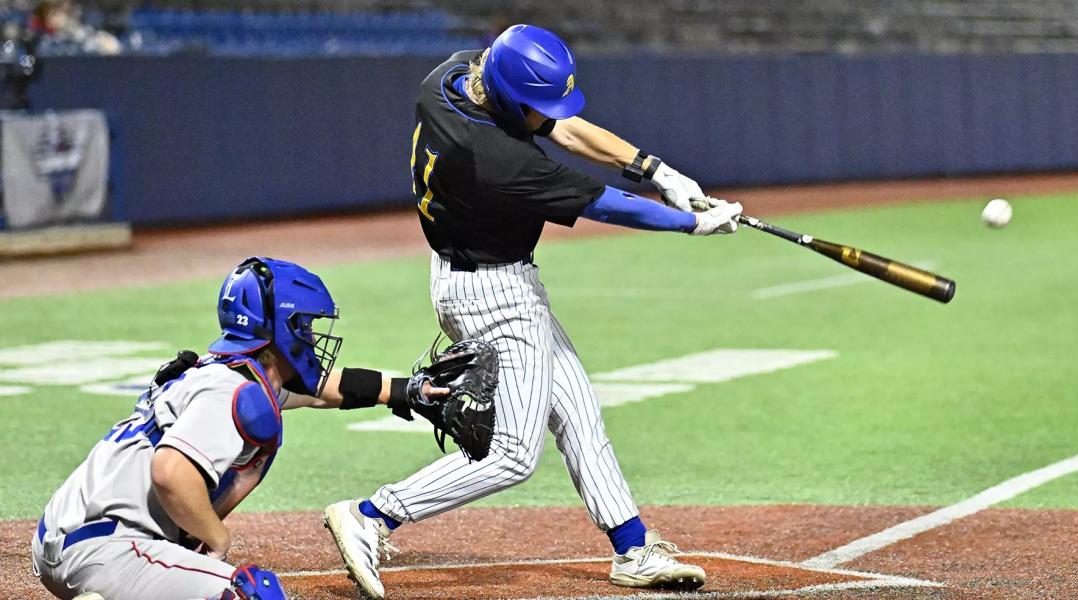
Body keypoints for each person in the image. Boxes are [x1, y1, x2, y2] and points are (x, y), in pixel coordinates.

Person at [323, 24, 742, 599]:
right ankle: (372, 515)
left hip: (478, 274)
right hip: (494, 295)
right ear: (506, 94)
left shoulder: (450, 77)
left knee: (578, 412)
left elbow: (562, 126)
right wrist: (692, 222)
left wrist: (657, 172)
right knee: (513, 457)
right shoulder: (495, 159)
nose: (547, 116)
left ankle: (633, 550)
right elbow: (605, 204)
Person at [31, 256, 448, 600]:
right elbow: (170, 471)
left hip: (70, 538)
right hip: (110, 550)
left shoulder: (228, 373)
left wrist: (406, 391)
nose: (310, 337)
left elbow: (324, 391)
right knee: (252, 592)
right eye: (304, 325)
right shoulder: (233, 394)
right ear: (282, 329)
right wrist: (217, 537)